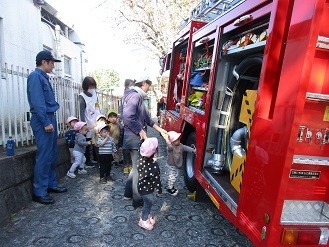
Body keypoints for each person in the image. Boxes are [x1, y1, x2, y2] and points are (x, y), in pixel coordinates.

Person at [27, 50, 67, 204]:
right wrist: (45, 122)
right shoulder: (35, 77)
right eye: (51, 63)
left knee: (52, 154)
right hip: (42, 118)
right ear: (44, 62)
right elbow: (37, 103)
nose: (53, 66)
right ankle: (39, 191)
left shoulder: (42, 77)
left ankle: (50, 184)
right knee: (44, 156)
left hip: (49, 117)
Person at [122, 75, 167, 209]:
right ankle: (137, 200)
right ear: (145, 83)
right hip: (134, 138)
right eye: (149, 85)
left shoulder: (134, 95)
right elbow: (127, 117)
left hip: (131, 137)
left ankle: (128, 193)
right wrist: (140, 130)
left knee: (135, 167)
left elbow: (146, 118)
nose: (149, 88)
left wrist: (160, 130)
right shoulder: (135, 96)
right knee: (138, 170)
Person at [137, 138, 162, 231]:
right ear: (154, 151)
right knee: (148, 203)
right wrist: (159, 190)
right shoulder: (154, 165)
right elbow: (157, 180)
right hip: (148, 190)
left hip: (140, 186)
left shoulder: (139, 160)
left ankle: (146, 215)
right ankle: (143, 220)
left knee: (146, 203)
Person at [163, 131, 196, 196]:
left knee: (174, 176)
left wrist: (193, 150)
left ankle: (171, 186)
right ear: (172, 141)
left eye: (178, 139)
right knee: (172, 177)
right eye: (176, 140)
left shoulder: (180, 145)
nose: (178, 141)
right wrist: (167, 139)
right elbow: (169, 145)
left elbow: (186, 148)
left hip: (177, 165)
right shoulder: (171, 148)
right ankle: (170, 188)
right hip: (171, 165)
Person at [79, 76, 100, 168]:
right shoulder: (82, 96)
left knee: (97, 140)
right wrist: (84, 125)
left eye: (93, 87)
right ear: (85, 86)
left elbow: (97, 107)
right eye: (90, 87)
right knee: (88, 142)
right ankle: (88, 160)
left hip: (96, 121)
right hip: (88, 122)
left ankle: (96, 158)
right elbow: (81, 112)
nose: (92, 89)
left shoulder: (95, 94)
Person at [121, 79, 135, 174]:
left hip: (133, 124)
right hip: (125, 124)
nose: (132, 87)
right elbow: (122, 110)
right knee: (126, 147)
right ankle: (126, 164)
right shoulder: (123, 98)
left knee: (132, 146)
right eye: (131, 85)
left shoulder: (134, 96)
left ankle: (131, 163)